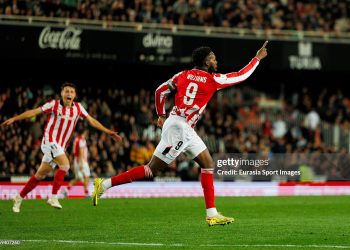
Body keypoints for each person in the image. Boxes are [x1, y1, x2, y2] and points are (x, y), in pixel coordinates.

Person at [92, 41, 268, 226]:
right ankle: (104, 185)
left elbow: (160, 91)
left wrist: (160, 115)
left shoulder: (182, 75)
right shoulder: (213, 79)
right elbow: (241, 75)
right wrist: (256, 58)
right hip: (179, 129)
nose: (216, 60)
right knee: (151, 169)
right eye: (213, 57)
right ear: (206, 61)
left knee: (207, 163)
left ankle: (212, 214)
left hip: (180, 125)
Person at [1, 82, 121, 212]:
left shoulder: (78, 108)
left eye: (71, 92)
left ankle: (19, 197)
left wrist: (108, 132)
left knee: (39, 175)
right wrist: (15, 119)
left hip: (60, 147)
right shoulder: (54, 105)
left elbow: (92, 121)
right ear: (62, 93)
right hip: (49, 141)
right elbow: (34, 112)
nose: (69, 93)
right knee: (65, 165)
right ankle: (53, 197)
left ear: (75, 95)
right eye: (66, 91)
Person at [64, 128, 91, 197]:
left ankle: (66, 189)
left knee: (78, 178)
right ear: (84, 132)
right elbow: (81, 151)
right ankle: (86, 193)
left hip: (76, 160)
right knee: (87, 176)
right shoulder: (82, 140)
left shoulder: (76, 139)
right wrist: (81, 163)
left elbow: (73, 152)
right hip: (82, 161)